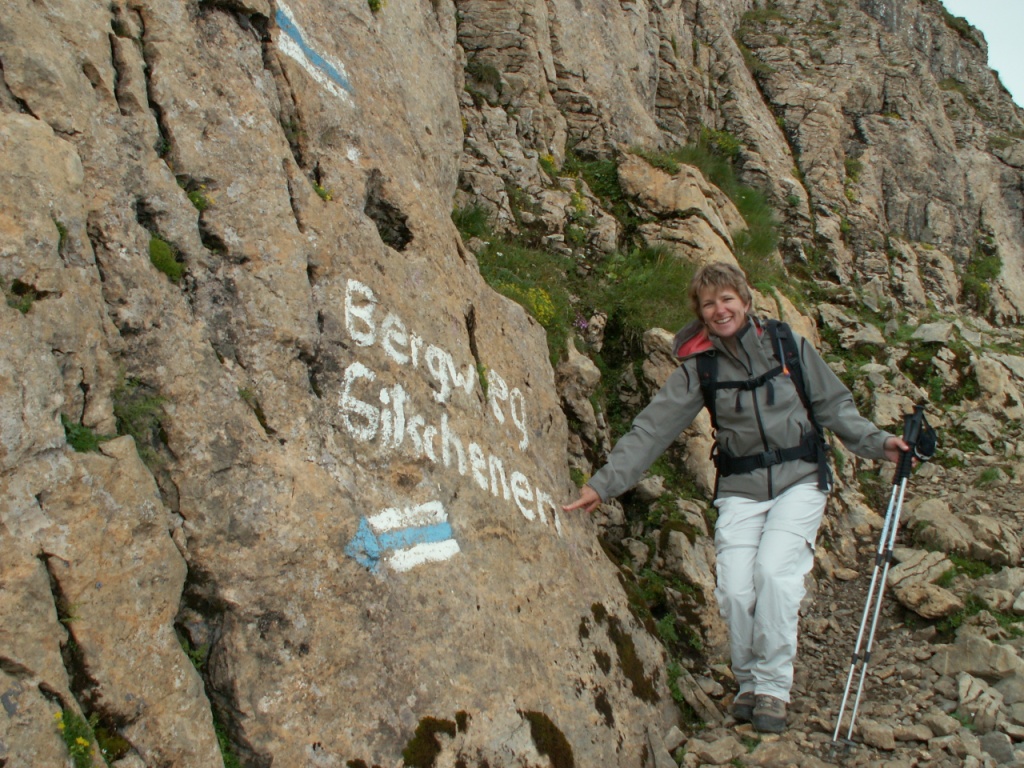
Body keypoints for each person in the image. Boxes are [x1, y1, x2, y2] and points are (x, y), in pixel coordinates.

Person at [562, 261, 908, 733]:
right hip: (741, 488)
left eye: (727, 299)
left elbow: (834, 406)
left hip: (800, 479)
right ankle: (748, 683)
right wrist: (603, 484)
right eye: (709, 303)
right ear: (700, 312)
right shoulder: (700, 368)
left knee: (774, 575)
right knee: (734, 589)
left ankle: (772, 689)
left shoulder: (786, 345)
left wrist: (880, 443)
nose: (719, 310)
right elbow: (652, 429)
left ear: (745, 300)